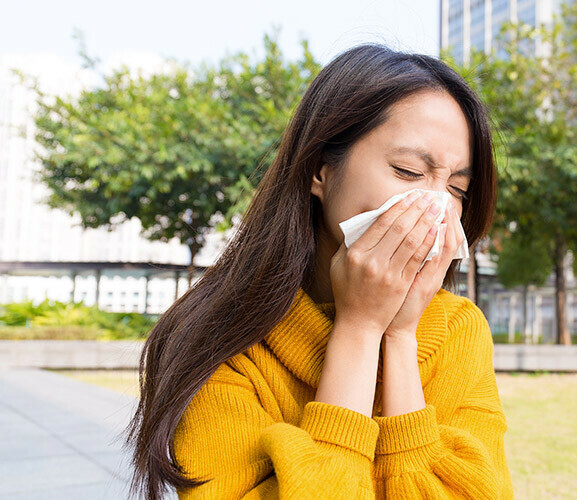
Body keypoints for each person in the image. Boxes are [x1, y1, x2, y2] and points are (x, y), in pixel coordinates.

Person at [124, 43, 514, 499]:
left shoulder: (458, 331)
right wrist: (359, 328)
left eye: (457, 189)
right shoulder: (221, 343)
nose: (436, 207)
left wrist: (400, 337)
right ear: (320, 170)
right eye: (408, 171)